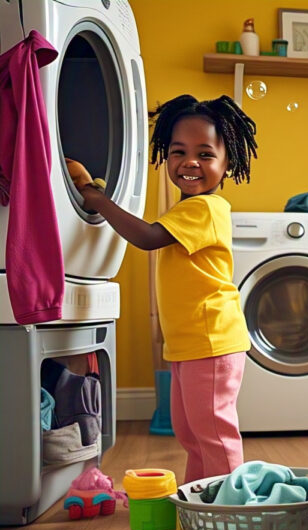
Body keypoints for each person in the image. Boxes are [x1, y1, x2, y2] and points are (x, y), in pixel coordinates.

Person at [74, 94, 258, 483]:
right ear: (167, 157)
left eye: (205, 154)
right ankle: (199, 494)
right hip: (190, 344)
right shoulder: (187, 209)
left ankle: (234, 504)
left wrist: (97, 199)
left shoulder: (204, 208)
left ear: (227, 167)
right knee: (191, 433)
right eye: (179, 151)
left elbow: (146, 237)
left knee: (214, 433)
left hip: (210, 343)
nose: (190, 162)